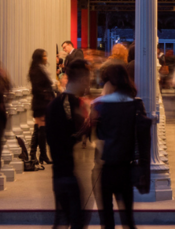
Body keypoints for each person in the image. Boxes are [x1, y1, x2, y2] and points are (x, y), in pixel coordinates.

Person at [90, 62, 152, 229]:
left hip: (106, 167)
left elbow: (94, 137)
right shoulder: (136, 104)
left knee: (107, 220)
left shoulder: (99, 105)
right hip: (126, 167)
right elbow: (143, 139)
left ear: (109, 82)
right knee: (128, 219)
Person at [44, 57, 93, 229]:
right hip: (70, 172)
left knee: (64, 220)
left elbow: (52, 138)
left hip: (60, 172)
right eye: (87, 80)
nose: (88, 84)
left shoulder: (54, 105)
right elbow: (69, 138)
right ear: (81, 79)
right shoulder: (74, 105)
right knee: (76, 220)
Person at [28, 48, 56, 170]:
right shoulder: (37, 70)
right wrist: (48, 94)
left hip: (42, 102)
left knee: (39, 128)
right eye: (44, 56)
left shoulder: (38, 69)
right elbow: (37, 89)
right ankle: (42, 155)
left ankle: (35, 154)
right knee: (42, 129)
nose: (46, 58)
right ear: (39, 57)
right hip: (41, 103)